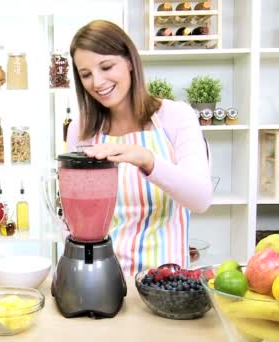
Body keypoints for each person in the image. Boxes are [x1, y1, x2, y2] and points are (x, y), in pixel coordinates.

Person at [65, 20, 213, 275]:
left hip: (164, 283)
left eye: (106, 66)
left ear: (130, 61)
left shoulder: (176, 117)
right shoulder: (81, 129)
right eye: (86, 74)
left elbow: (200, 199)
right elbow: (74, 215)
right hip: (101, 278)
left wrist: (146, 160)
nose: (97, 82)